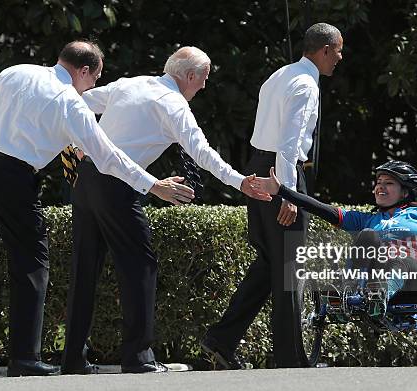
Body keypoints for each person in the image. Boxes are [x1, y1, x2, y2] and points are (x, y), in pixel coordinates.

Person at [0, 41, 194, 377]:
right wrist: (152, 184)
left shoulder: (17, 72)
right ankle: (24, 359)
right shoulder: (71, 103)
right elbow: (108, 156)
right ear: (84, 70)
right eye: (93, 79)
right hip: (13, 177)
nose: (91, 88)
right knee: (31, 263)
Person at [60, 46, 271, 375]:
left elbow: (79, 102)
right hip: (117, 187)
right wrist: (240, 181)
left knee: (85, 268)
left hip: (86, 180)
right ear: (189, 76)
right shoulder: (173, 104)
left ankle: (72, 358)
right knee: (140, 267)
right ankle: (138, 358)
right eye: (203, 79)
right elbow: (201, 152)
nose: (203, 86)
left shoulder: (131, 83)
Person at [201, 23, 344, 369]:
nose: (341, 57)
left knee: (270, 263)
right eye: (339, 50)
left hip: (259, 165)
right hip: (281, 173)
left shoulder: (279, 74)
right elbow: (289, 144)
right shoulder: (306, 84)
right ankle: (291, 359)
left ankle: (221, 339)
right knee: (288, 266)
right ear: (324, 50)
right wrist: (289, 194)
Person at [251, 161, 417, 310]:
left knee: (396, 261)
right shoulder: (367, 219)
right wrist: (282, 191)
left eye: (389, 183)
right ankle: (349, 291)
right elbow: (322, 209)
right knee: (367, 235)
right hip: (378, 276)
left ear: (405, 192)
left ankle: (379, 297)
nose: (380, 186)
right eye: (379, 182)